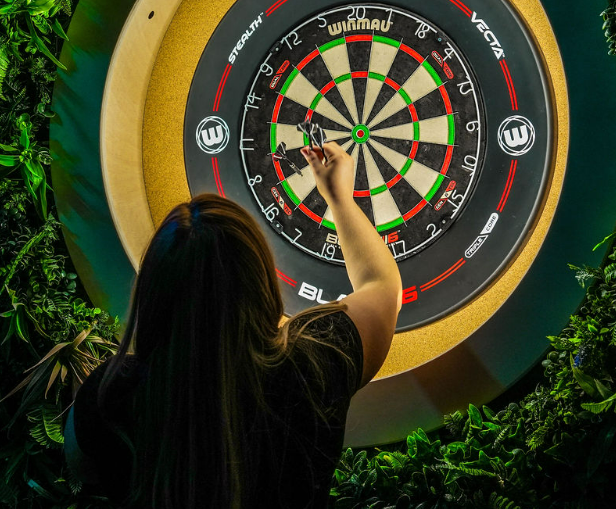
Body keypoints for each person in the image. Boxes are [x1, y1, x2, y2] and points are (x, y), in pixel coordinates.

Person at [65, 140, 402, 508]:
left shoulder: (109, 396)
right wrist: (338, 197)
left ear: (152, 294)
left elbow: (80, 467)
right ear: (263, 290)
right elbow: (383, 287)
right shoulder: (311, 367)